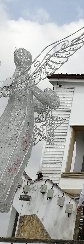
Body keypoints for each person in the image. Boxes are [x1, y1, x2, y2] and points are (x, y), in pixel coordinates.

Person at [0, 48, 60, 213]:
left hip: (6, 123)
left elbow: (31, 105)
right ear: (28, 62)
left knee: (7, 158)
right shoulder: (27, 80)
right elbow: (49, 103)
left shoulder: (12, 80)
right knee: (14, 158)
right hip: (21, 127)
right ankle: (2, 197)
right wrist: (51, 95)